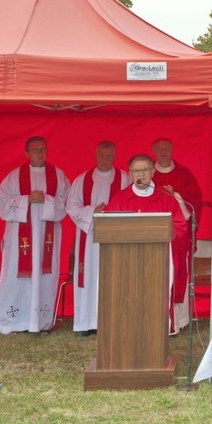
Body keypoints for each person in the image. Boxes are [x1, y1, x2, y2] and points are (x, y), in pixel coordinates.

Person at [104, 154, 188, 334]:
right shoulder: (121, 198)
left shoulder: (166, 198)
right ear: (130, 174)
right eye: (136, 171)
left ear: (152, 172)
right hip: (127, 260)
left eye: (144, 170)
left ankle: (156, 331)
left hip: (158, 260)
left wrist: (163, 230)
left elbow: (180, 226)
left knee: (155, 297)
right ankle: (127, 330)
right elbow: (107, 226)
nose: (140, 175)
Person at [0, 136, 70, 335]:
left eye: (43, 149)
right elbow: (3, 204)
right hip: (18, 241)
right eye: (35, 149)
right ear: (26, 153)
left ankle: (41, 322)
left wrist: (46, 200)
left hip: (47, 238)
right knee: (15, 276)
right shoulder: (14, 177)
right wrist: (26, 200)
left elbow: (67, 202)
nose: (40, 153)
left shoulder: (58, 175)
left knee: (44, 276)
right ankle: (14, 322)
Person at [66, 141, 130, 337]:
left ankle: (112, 323)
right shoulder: (82, 180)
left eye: (109, 156)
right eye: (101, 155)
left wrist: (110, 213)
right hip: (89, 238)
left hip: (114, 238)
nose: (104, 159)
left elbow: (132, 204)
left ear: (115, 156)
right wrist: (94, 211)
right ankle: (85, 323)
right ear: (95, 155)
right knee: (88, 277)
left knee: (112, 277)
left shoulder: (125, 179)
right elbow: (71, 206)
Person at [151, 138, 203, 334]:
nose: (163, 151)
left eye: (166, 148)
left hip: (179, 235)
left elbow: (195, 202)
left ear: (172, 149)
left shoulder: (184, 173)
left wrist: (176, 196)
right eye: (159, 149)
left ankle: (179, 320)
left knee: (179, 273)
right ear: (153, 151)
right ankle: (156, 318)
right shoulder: (148, 173)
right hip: (154, 235)